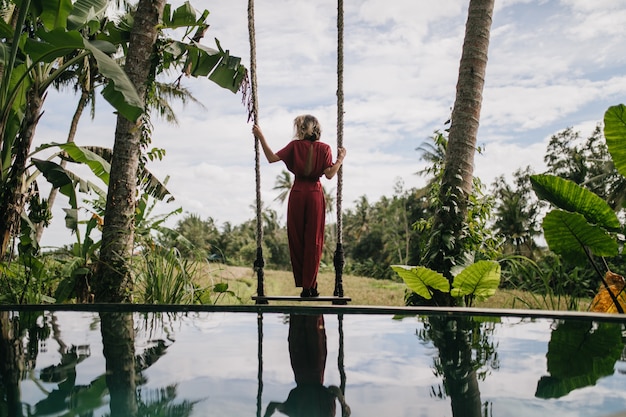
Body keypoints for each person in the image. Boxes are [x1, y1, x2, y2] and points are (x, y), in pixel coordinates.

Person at [252, 115, 346, 297]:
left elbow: (271, 158)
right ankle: (310, 286)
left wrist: (261, 136)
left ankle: (307, 284)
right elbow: (329, 175)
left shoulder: (294, 146)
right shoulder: (324, 148)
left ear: (302, 129)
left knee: (297, 239)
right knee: (314, 239)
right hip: (314, 194)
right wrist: (340, 159)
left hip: (297, 193)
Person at [263, 314, 351, 417]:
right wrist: (343, 402)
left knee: (304, 327)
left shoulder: (296, 413)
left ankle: (302, 307)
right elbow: (333, 390)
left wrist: (343, 403)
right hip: (312, 367)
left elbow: (273, 405)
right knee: (313, 329)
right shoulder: (324, 414)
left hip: (301, 366)